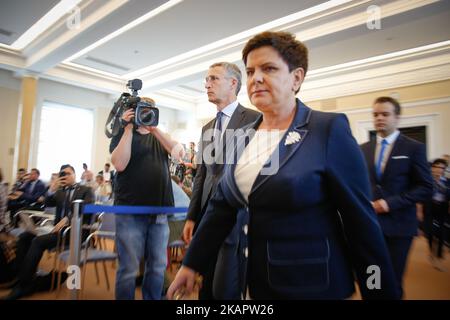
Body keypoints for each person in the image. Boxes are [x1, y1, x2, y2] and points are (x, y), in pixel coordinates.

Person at [168, 31, 399, 300]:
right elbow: (222, 206)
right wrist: (191, 263)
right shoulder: (245, 135)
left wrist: (379, 291)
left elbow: (361, 224)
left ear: (296, 78)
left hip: (308, 284)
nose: (256, 78)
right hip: (250, 279)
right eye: (251, 70)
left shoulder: (327, 129)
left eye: (269, 69)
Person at [182, 62, 260, 299]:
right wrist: (192, 216)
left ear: (233, 83)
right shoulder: (207, 129)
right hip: (207, 218)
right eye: (206, 79)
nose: (206, 84)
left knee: (226, 289)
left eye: (213, 79)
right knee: (206, 285)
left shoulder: (255, 120)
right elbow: (201, 176)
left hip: (236, 218)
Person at [110, 97, 184, 300]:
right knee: (128, 268)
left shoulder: (160, 136)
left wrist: (155, 129)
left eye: (150, 110)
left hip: (159, 212)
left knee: (158, 266)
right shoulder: (122, 134)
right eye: (141, 110)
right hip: (130, 212)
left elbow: (179, 154)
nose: (145, 113)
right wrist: (126, 129)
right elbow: (119, 164)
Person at [360, 96, 433, 297]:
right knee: (372, 279)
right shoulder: (363, 149)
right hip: (370, 227)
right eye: (375, 114)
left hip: (399, 228)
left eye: (385, 114)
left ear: (397, 117)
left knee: (391, 281)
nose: (379, 118)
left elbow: (426, 187)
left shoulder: (413, 148)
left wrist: (389, 204)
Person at [2, 164, 94, 300]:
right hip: (57, 231)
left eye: (68, 173)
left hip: (75, 233)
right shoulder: (60, 191)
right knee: (25, 237)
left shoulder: (86, 189)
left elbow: (87, 208)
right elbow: (47, 203)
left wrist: (68, 219)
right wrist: (51, 189)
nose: (65, 176)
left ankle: (24, 286)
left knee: (38, 242)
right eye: (62, 174)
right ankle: (20, 278)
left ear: (75, 175)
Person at [422, 158, 449, 271]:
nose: (439, 170)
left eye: (442, 168)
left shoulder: (447, 181)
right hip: (429, 207)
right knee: (429, 232)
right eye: (437, 167)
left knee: (441, 233)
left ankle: (438, 257)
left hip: (442, 208)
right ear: (432, 168)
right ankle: (432, 249)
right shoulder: (426, 180)